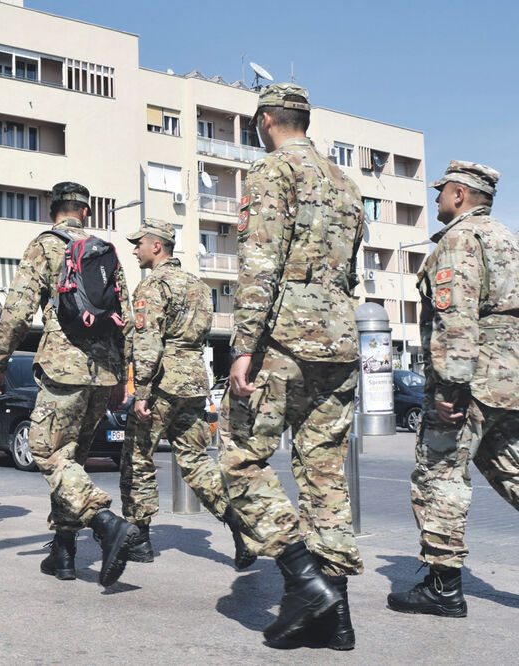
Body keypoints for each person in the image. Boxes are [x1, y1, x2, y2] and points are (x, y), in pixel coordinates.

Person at [217, 83, 365, 649]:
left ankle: (303, 578)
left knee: (239, 458)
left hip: (284, 339)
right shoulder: (345, 182)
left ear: (266, 118)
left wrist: (243, 346)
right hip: (340, 337)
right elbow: (348, 272)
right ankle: (336, 619)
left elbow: (260, 263)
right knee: (325, 474)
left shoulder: (273, 171)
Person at [0, 181, 138, 587]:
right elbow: (125, 318)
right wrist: (124, 376)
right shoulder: (105, 252)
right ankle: (64, 553)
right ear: (86, 212)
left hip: (63, 369)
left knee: (46, 450)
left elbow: (17, 311)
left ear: (50, 208)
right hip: (102, 373)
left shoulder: (45, 245)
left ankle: (105, 523)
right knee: (71, 459)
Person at [387, 161, 519, 617]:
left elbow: (456, 317)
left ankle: (443, 587)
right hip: (510, 378)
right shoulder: (507, 238)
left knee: (439, 474)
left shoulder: (461, 240)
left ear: (459, 194)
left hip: (474, 377)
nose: (437, 198)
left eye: (441, 191)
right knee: (511, 469)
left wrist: (451, 388)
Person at [121, 219, 255, 569]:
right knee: (195, 460)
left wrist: (142, 392)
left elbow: (148, 342)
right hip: (194, 381)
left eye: (139, 243)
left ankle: (139, 539)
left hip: (163, 381)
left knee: (137, 458)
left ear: (157, 246)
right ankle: (238, 523)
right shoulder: (198, 285)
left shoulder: (152, 287)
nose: (134, 249)